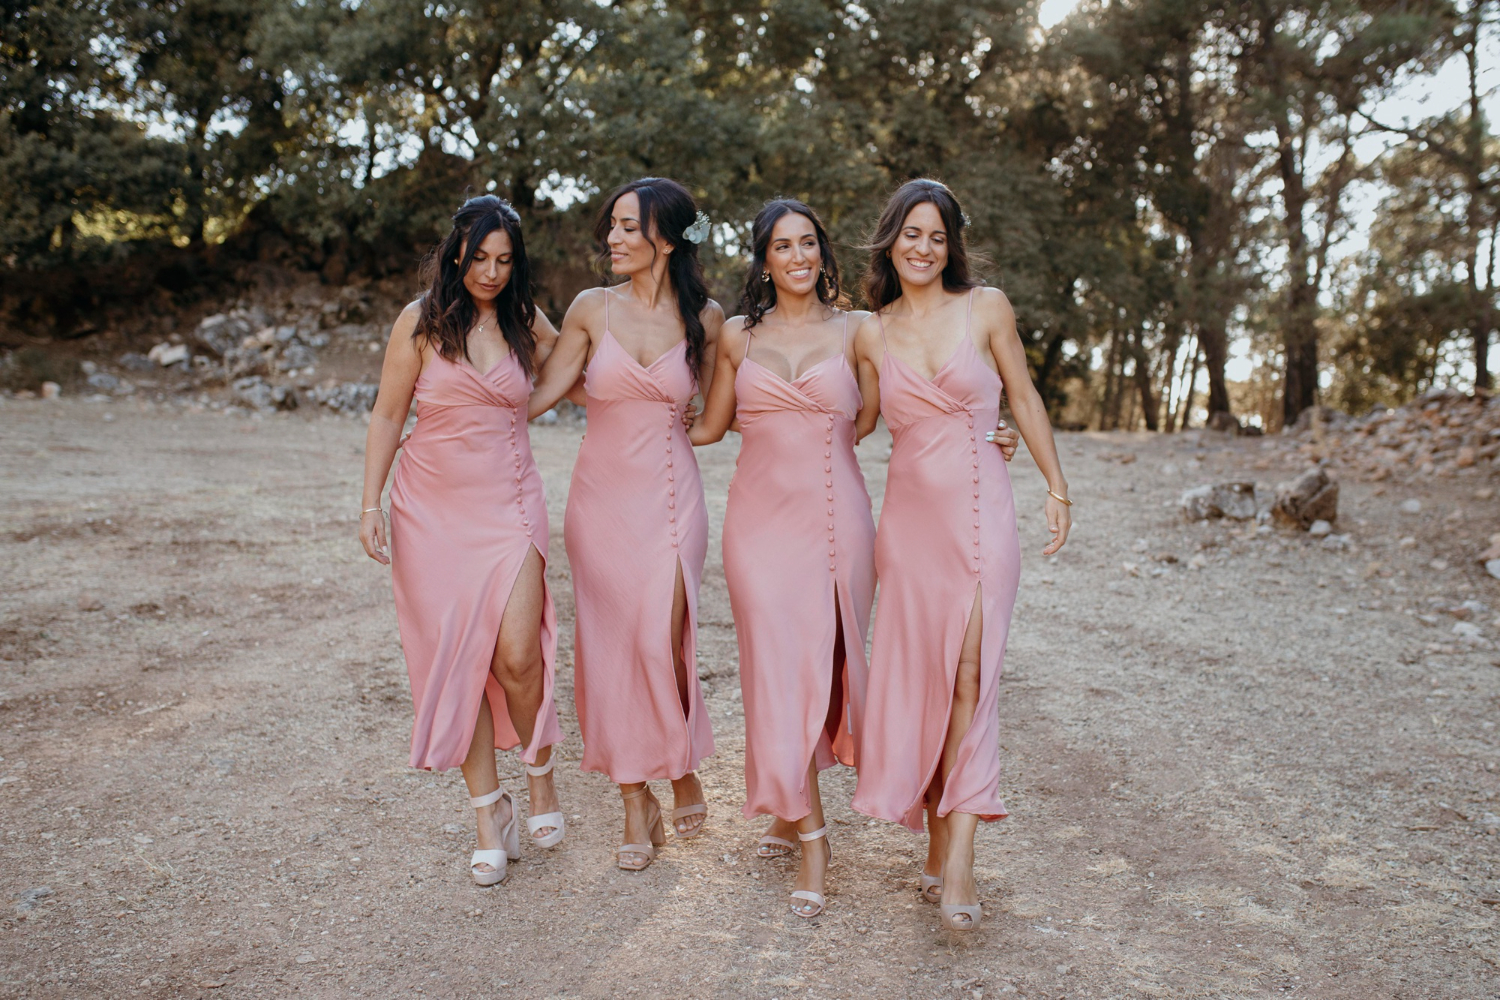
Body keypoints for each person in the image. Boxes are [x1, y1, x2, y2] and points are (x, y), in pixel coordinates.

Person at [689, 199, 1020, 917]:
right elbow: (710, 425)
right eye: (783, 246)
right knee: (775, 670)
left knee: (829, 667)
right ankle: (811, 836)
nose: (799, 256)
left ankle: (796, 799)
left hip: (840, 522)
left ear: (824, 253)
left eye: (809, 243)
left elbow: (888, 413)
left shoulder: (858, 332)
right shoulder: (740, 338)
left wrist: (987, 433)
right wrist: (633, 400)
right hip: (757, 526)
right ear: (764, 259)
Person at [850, 179, 1072, 931]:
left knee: (973, 676)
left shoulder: (988, 308)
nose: (923, 247)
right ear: (891, 239)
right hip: (908, 530)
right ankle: (939, 842)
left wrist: (1055, 485)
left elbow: (1025, 396)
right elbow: (850, 420)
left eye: (937, 236)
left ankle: (962, 865)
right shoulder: (867, 332)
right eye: (911, 234)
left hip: (982, 516)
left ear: (953, 245)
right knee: (927, 687)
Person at [359, 195, 567, 887]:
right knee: (457, 662)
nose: (492, 272)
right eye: (480, 258)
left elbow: (580, 373)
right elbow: (389, 416)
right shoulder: (419, 322)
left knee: (516, 655)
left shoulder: (523, 320)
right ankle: (488, 811)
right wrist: (370, 504)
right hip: (429, 510)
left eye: (505, 261)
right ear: (456, 252)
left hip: (509, 502)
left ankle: (539, 774)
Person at [527, 177, 724, 871]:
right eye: (609, 225)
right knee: (611, 649)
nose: (611, 238)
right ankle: (636, 798)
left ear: (665, 238)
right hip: (600, 501)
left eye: (627, 227)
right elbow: (542, 395)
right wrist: (448, 418)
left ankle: (678, 761)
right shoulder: (589, 308)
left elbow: (733, 411)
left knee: (662, 640)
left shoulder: (708, 321)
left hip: (672, 499)